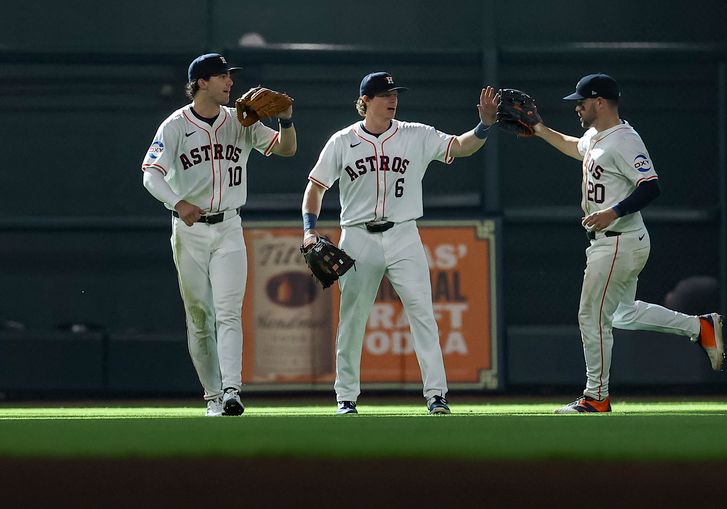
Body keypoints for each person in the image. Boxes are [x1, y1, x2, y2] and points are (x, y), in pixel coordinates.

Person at [301, 72, 499, 415]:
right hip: (358, 236)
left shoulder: (416, 135)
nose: (392, 99)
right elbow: (316, 188)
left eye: (394, 93)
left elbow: (461, 146)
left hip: (404, 234)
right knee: (353, 319)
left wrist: (482, 126)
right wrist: (309, 229)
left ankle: (436, 395)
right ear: (365, 102)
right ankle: (345, 397)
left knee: (423, 314)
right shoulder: (342, 141)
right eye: (383, 94)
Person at [529, 73, 725, 414]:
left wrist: (613, 212)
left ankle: (596, 397)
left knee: (592, 317)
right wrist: (539, 129)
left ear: (601, 103)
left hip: (618, 240)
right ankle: (700, 326)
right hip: (614, 241)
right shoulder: (595, 135)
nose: (577, 107)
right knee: (620, 312)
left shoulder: (624, 140)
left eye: (582, 101)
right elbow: (576, 147)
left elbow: (651, 186)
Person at [141, 53, 297, 416]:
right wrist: (177, 203)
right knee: (199, 315)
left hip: (228, 226)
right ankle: (212, 394)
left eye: (230, 76)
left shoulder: (241, 119)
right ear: (200, 83)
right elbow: (150, 173)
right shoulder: (176, 125)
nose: (230, 82)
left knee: (228, 312)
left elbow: (287, 150)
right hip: (190, 230)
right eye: (222, 77)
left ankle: (231, 391)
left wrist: (286, 121)